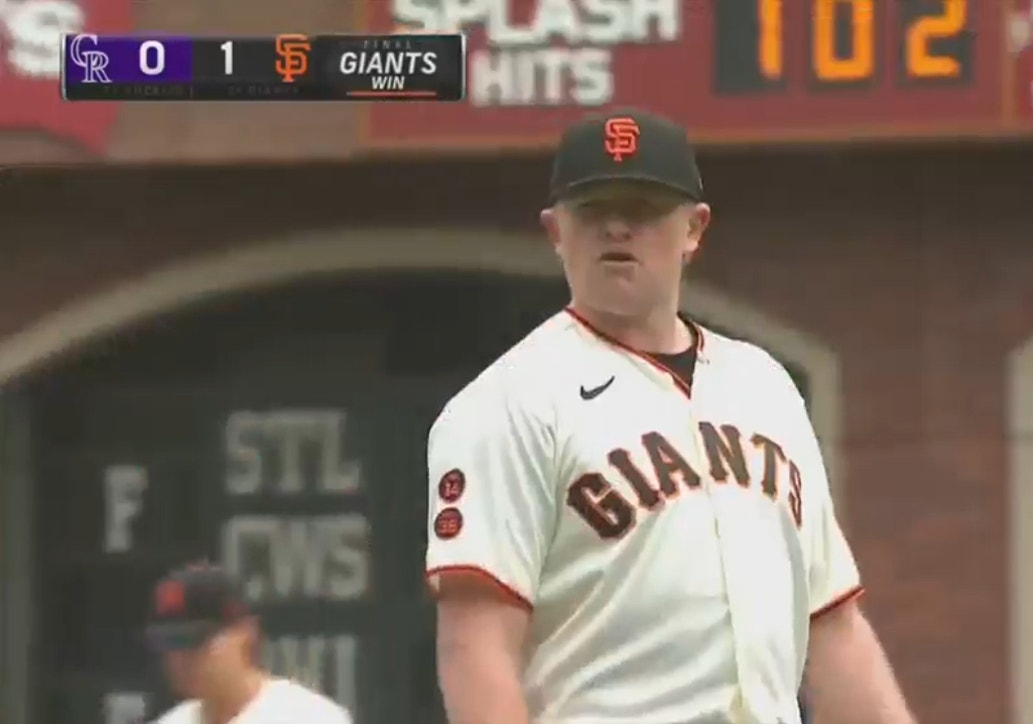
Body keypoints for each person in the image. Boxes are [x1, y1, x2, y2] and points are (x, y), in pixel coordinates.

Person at [425, 108, 914, 724]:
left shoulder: (763, 386)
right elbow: (475, 645)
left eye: (644, 207)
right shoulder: (507, 404)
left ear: (694, 229)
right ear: (555, 230)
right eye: (594, 208)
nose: (618, 227)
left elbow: (831, 626)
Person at [145, 564, 351, 724]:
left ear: (245, 632)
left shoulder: (308, 717)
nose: (182, 658)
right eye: (172, 645)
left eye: (197, 642)